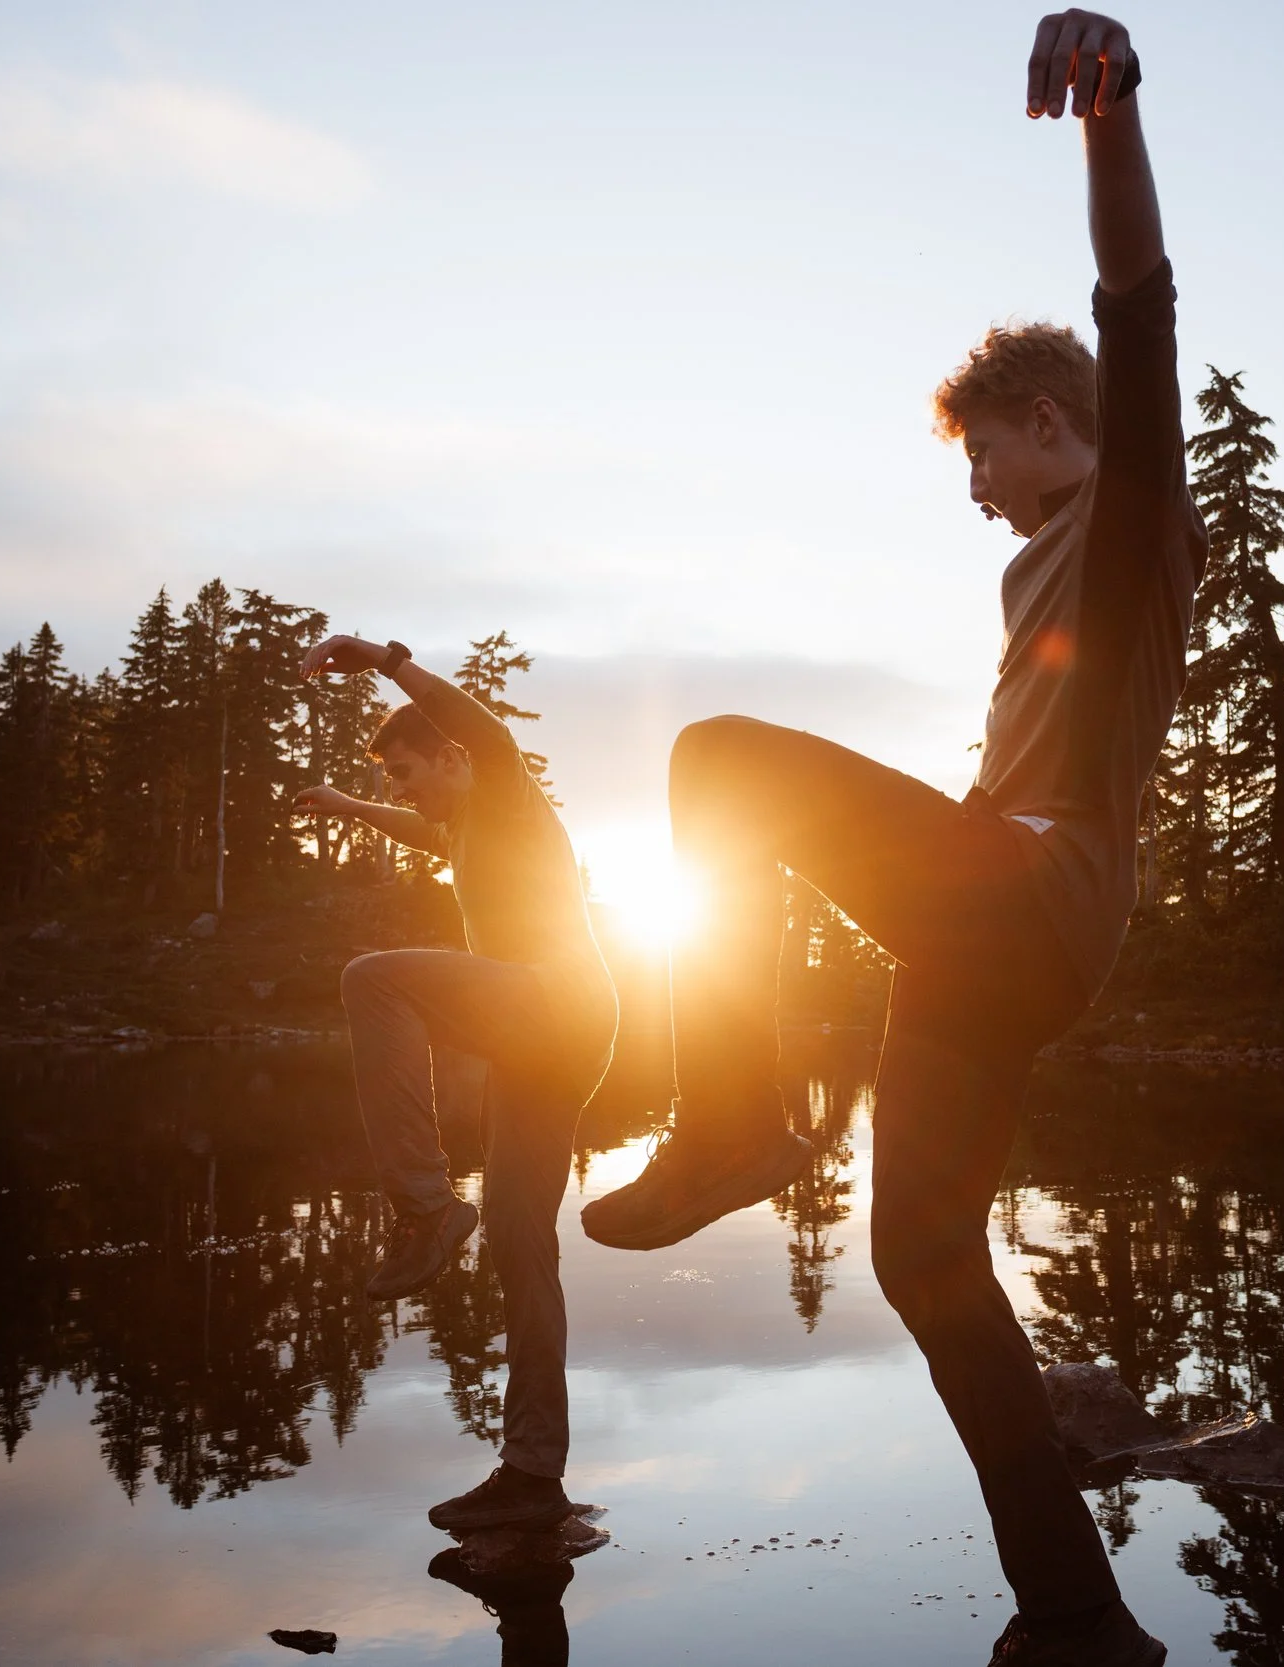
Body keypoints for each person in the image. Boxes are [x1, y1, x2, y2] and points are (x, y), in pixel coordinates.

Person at [580, 12, 1197, 1664]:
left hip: (1031, 901)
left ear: (1052, 420)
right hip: (988, 936)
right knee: (924, 1254)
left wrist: (1109, 110)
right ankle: (1075, 1611)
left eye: (982, 446)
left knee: (715, 759)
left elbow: (1136, 300)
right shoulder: (1039, 571)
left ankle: (726, 1118)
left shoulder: (1132, 509)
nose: (974, 480)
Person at [295, 632, 617, 1534]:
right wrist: (351, 801)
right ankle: (532, 1472)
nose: (406, 790)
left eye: (409, 771)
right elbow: (418, 824)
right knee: (522, 1246)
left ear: (453, 755)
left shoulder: (507, 785)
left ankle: (427, 1205)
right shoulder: (468, 824)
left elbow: (473, 721)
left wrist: (381, 658)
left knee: (374, 976)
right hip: (546, 1041)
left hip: (559, 1004)